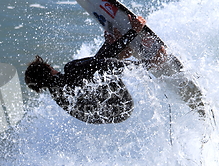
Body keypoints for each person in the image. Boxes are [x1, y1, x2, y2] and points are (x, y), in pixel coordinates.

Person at [24, 15, 166, 124]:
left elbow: (93, 67)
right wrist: (133, 32)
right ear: (48, 68)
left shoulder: (57, 92)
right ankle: (149, 63)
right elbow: (99, 66)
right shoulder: (67, 75)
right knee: (83, 68)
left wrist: (108, 46)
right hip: (119, 104)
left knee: (91, 70)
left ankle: (119, 49)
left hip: (118, 112)